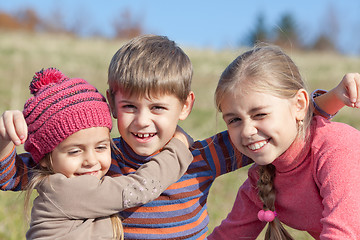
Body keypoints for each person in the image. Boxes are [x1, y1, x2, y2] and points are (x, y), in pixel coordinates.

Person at [0, 35, 355, 240]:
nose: (142, 122)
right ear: (111, 104)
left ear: (185, 106)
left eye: (157, 108)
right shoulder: (95, 162)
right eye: (129, 107)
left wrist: (334, 98)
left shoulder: (202, 157)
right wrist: (5, 139)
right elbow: (11, 176)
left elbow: (276, 133)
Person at [1, 67, 194, 239]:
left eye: (101, 147)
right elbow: (140, 188)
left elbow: (7, 176)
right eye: (75, 151)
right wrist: (178, 146)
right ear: (45, 158)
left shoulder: (57, 173)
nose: (91, 161)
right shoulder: (64, 188)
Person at [207, 45, 360, 239]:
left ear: (299, 105)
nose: (246, 131)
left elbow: (342, 234)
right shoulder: (260, 179)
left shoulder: (337, 149)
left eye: (260, 114)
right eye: (235, 120)